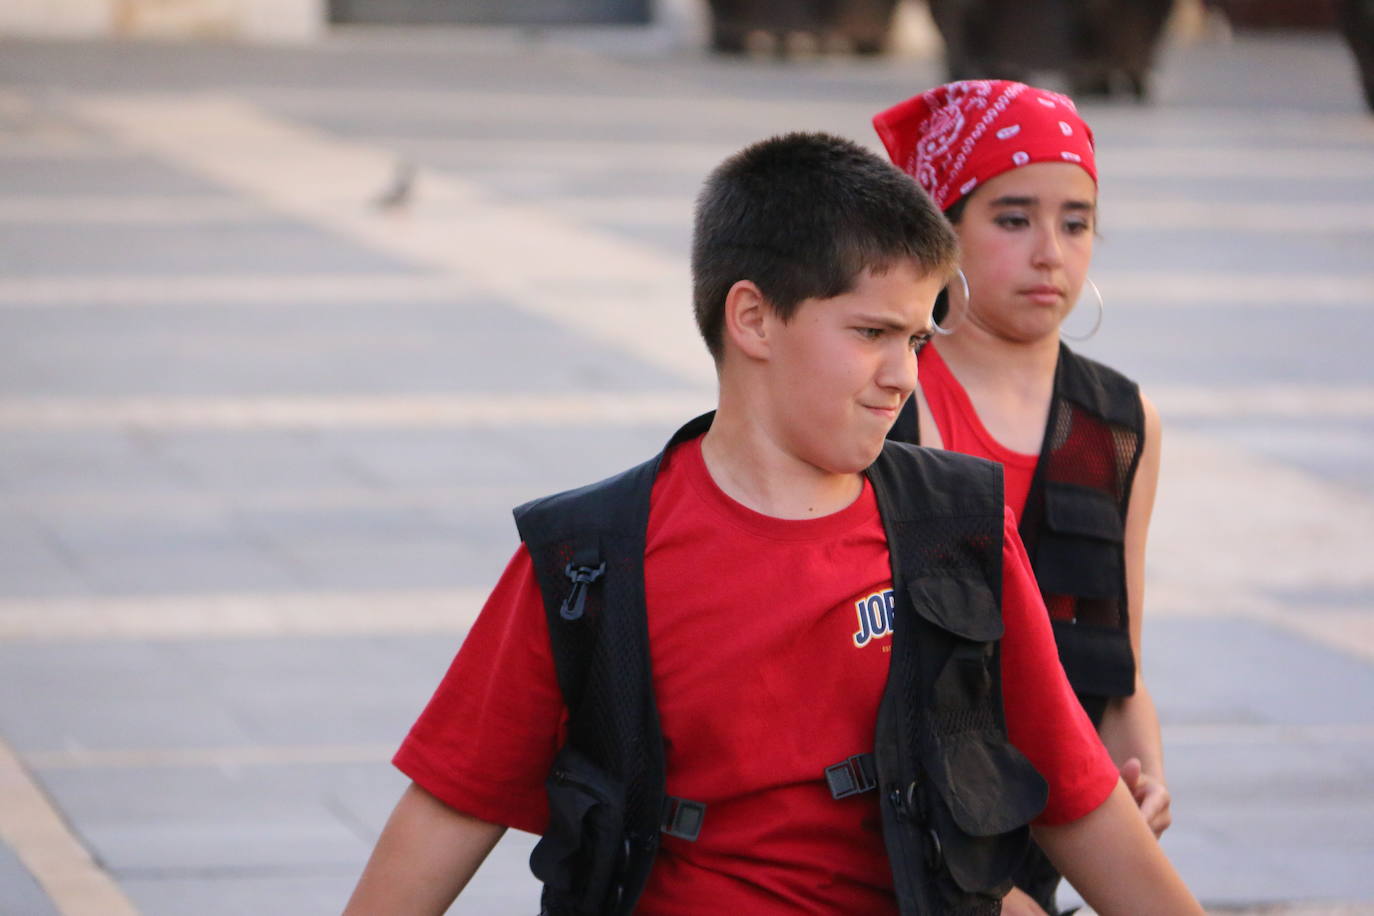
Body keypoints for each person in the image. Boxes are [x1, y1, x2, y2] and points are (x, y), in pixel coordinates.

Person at [342, 131, 1202, 915]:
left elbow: (1079, 800)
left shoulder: (960, 529)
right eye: (872, 332)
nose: (902, 374)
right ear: (752, 318)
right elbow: (446, 809)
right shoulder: (588, 561)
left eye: (917, 340)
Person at [873, 80, 1169, 914]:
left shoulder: (1120, 422)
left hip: (1054, 824)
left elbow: (1119, 663)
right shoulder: (889, 399)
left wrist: (1136, 787)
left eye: (1076, 223)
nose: (1051, 252)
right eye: (1013, 218)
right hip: (898, 828)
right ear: (943, 230)